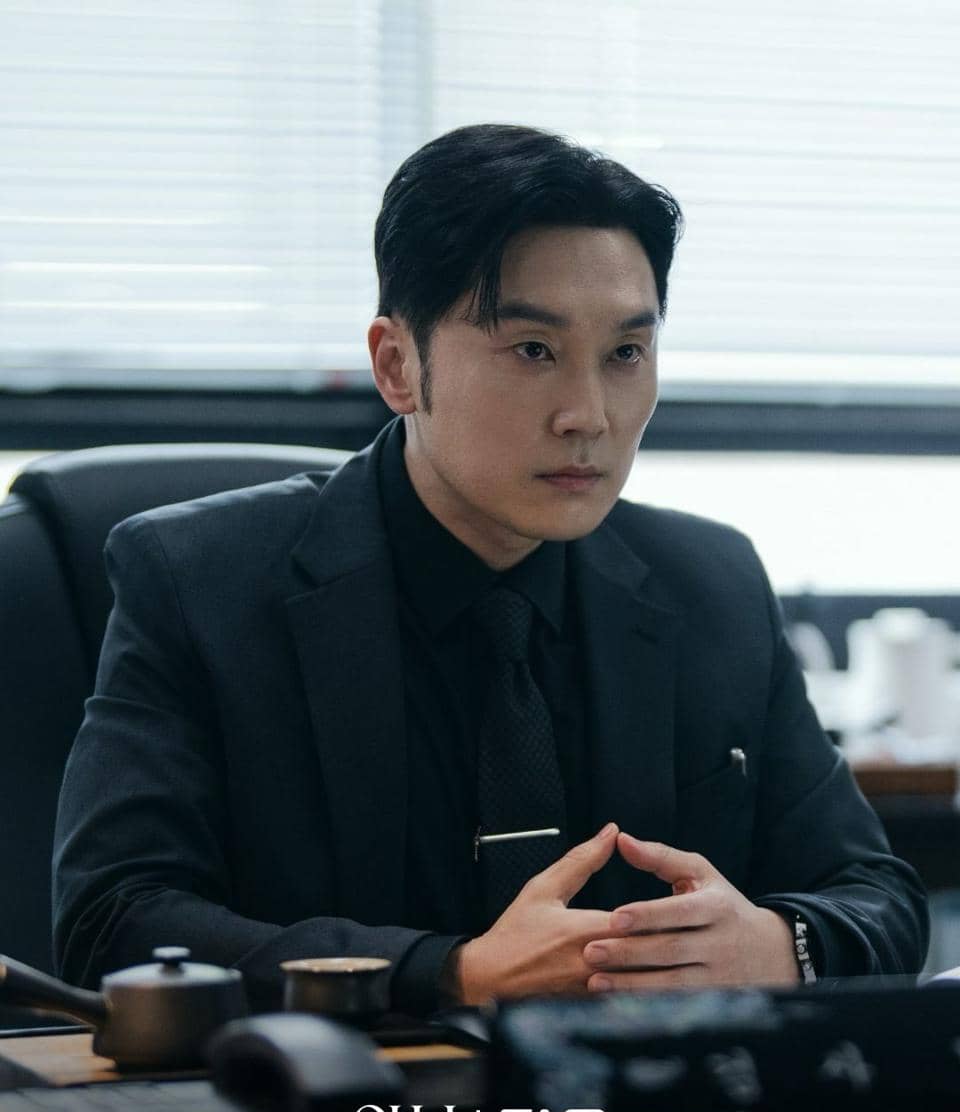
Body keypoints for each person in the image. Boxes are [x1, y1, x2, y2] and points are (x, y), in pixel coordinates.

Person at [52, 124, 928, 1014]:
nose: (588, 415)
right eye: (533, 350)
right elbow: (111, 921)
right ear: (398, 365)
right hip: (342, 1093)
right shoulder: (198, 581)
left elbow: (878, 896)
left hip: (636, 1096)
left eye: (625, 354)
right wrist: (449, 975)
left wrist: (779, 946)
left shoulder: (712, 583)